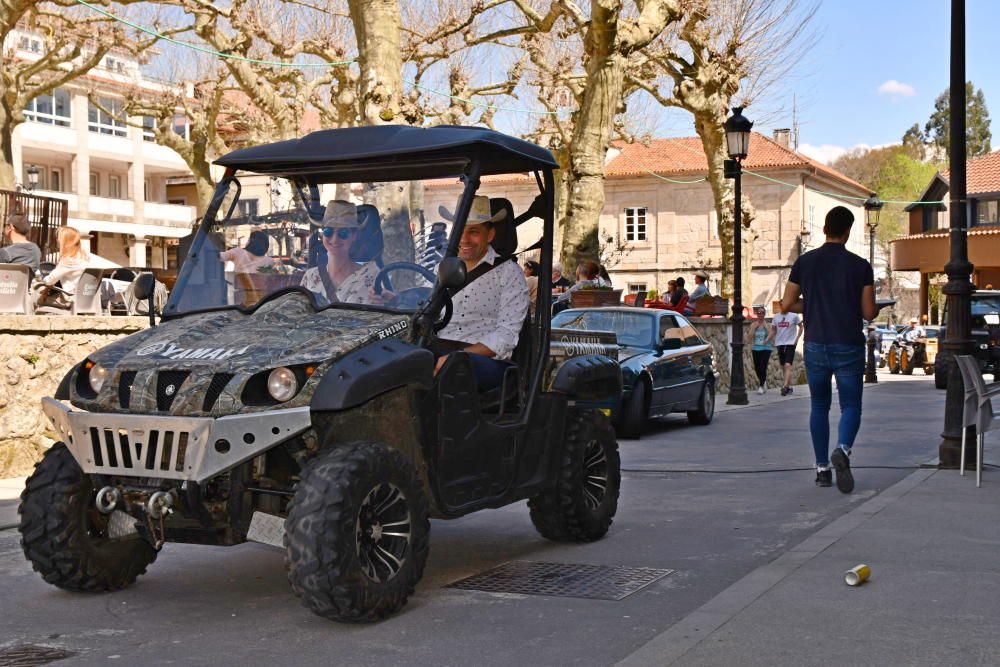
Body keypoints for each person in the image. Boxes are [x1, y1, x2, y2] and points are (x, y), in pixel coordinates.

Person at [781, 206, 880, 493]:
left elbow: (787, 304)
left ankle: (822, 469)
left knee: (819, 406)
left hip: (815, 344)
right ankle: (844, 449)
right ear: (848, 232)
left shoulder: (805, 262)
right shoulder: (860, 266)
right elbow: (869, 312)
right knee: (850, 405)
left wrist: (812, 305)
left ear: (824, 229)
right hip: (848, 343)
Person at [434, 195, 529, 390]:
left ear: (490, 235)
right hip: (439, 350)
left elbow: (506, 335)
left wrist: (457, 357)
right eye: (460, 230)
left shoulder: (509, 273)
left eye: (474, 232)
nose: (464, 239)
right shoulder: (442, 267)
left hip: (484, 361)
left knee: (455, 368)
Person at [301, 200, 381, 304]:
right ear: (322, 234)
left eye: (343, 233)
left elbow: (384, 309)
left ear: (354, 236)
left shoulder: (372, 275)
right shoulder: (311, 276)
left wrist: (387, 300)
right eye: (328, 231)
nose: (334, 239)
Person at [34, 226, 89, 308]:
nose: (57, 241)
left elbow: (49, 280)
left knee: (34, 292)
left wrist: (40, 279)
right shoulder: (84, 257)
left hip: (68, 299)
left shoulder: (68, 259)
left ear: (65, 241)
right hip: (84, 298)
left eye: (59, 238)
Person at [772, 303, 803, 396]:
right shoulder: (776, 317)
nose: (784, 306)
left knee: (788, 365)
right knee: (783, 366)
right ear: (781, 306)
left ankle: (785, 386)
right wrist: (770, 339)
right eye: (782, 305)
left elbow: (801, 326)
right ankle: (789, 387)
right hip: (780, 344)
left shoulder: (794, 316)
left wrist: (797, 338)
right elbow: (773, 330)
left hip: (790, 343)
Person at [749, 306, 775, 395]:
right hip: (756, 348)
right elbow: (749, 337)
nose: (760, 314)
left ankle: (761, 386)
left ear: (764, 314)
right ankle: (763, 382)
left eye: (762, 313)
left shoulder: (768, 325)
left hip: (766, 348)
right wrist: (753, 328)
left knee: (762, 366)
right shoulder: (753, 325)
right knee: (757, 368)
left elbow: (771, 334)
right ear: (757, 314)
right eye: (758, 313)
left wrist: (765, 328)